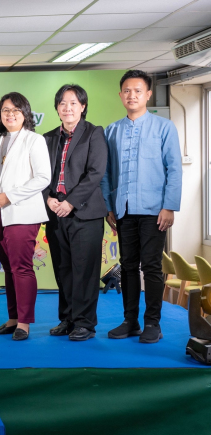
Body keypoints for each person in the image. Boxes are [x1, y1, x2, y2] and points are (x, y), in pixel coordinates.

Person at [102, 70, 182, 344]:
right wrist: (108, 206)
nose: (132, 95)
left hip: (154, 210)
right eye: (127, 90)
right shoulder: (112, 130)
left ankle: (152, 323)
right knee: (127, 266)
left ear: (148, 94)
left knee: (151, 266)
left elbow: (174, 168)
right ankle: (130, 321)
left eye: (138, 91)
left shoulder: (164, 127)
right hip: (123, 209)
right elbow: (106, 173)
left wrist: (169, 206)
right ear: (120, 95)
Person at [43, 84, 108, 341]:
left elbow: (96, 173)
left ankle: (85, 323)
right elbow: (39, 175)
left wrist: (70, 202)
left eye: (73, 103)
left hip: (85, 213)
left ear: (83, 106)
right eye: (62, 103)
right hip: (55, 212)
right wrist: (47, 198)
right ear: (57, 108)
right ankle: (67, 319)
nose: (67, 108)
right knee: (63, 270)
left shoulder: (94, 133)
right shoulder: (48, 138)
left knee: (85, 271)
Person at [0, 92, 50, 341]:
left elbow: (43, 178)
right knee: (9, 268)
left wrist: (10, 196)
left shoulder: (34, 140)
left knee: (21, 268)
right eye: (5, 110)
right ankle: (12, 318)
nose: (10, 114)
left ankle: (24, 322)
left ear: (25, 113)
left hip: (21, 212)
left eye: (16, 110)